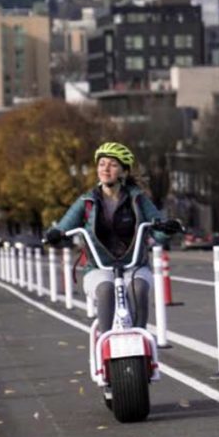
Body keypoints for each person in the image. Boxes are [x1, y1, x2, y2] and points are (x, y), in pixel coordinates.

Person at [47, 142, 165, 335]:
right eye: (102, 164)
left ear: (124, 172)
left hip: (134, 267)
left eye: (112, 164)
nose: (105, 169)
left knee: (139, 289)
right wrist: (55, 234)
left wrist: (166, 227)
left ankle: (138, 337)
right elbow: (64, 227)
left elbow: (159, 230)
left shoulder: (138, 199)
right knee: (106, 289)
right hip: (99, 268)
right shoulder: (87, 202)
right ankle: (105, 337)